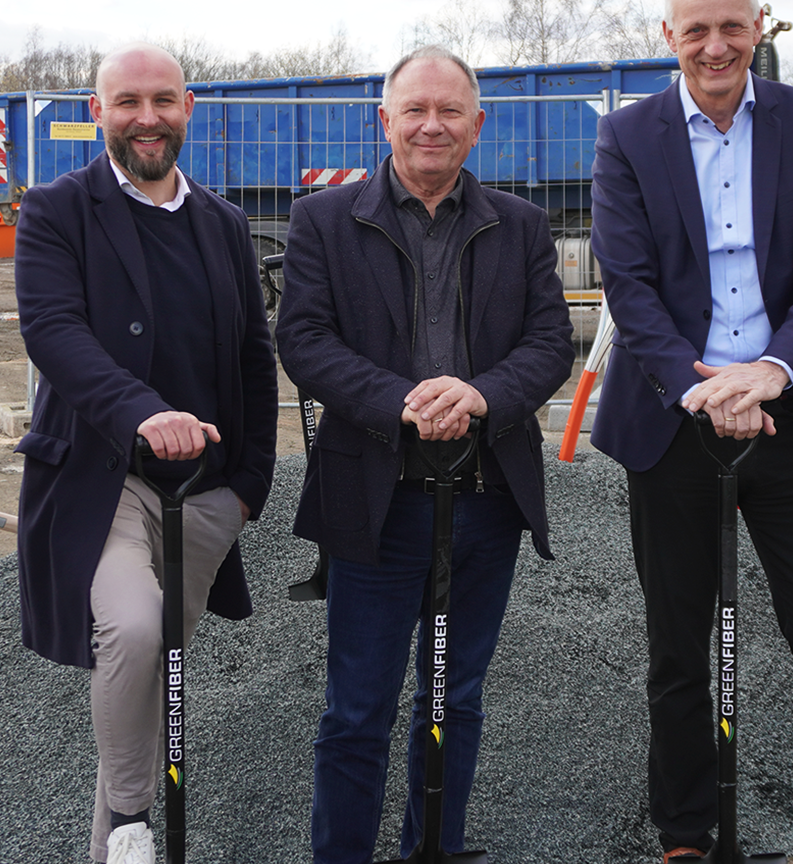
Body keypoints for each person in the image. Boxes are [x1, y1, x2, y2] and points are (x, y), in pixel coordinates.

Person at [587, 0, 793, 861]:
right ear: (667, 36)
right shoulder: (627, 136)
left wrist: (772, 371)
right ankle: (687, 837)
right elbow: (628, 283)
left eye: (732, 27)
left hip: (791, 413)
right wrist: (699, 388)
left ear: (759, 27)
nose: (716, 46)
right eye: (696, 29)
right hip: (674, 421)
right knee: (679, 648)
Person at [277, 45, 576, 864]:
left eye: (450, 111)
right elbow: (302, 338)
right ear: (386, 120)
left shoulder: (519, 224)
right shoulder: (324, 222)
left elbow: (552, 340)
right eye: (415, 110)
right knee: (357, 709)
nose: (432, 125)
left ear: (477, 126)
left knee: (456, 696)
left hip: (485, 501)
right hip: (376, 503)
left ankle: (433, 850)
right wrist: (399, 402)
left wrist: (482, 395)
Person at [10, 43, 277, 864]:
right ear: (99, 112)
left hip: (205, 493)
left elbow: (251, 357)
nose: (147, 118)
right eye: (127, 102)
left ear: (188, 106)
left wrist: (246, 490)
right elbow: (55, 332)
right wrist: (145, 412)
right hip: (103, 479)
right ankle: (132, 815)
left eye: (162, 100)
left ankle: (116, 848)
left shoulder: (224, 224)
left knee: (147, 681)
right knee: (131, 631)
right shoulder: (57, 211)